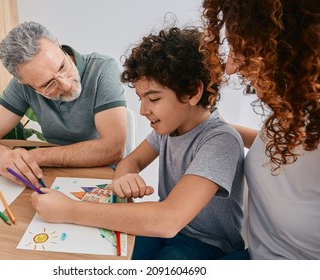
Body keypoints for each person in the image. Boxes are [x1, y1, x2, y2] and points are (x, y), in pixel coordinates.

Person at [31, 26, 246, 260]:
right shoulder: (169, 128)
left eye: (153, 98)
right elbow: (131, 160)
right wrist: (125, 176)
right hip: (169, 234)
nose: (143, 110)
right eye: (141, 99)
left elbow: (168, 219)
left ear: (193, 92)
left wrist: (70, 210)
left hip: (207, 245)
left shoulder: (220, 141)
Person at [201, 0, 320, 259]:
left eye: (240, 47)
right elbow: (285, 155)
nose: (230, 67)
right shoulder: (293, 111)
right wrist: (211, 125)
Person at [0, 21, 127, 187]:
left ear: (58, 45)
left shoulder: (102, 68)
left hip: (104, 175)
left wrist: (34, 157)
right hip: (53, 174)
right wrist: (0, 156)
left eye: (62, 66)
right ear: (25, 83)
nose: (66, 85)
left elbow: (112, 148)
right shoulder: (22, 86)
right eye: (47, 84)